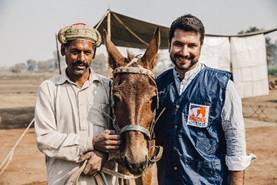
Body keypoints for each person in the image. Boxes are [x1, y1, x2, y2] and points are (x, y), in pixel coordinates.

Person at [155, 14, 255, 185]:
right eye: (178, 44)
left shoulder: (222, 86)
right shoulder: (158, 86)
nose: (184, 52)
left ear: (201, 47)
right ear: (169, 45)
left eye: (192, 45)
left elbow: (235, 141)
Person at [34, 23, 120, 185]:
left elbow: (122, 134)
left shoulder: (108, 87)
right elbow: (44, 139)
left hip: (104, 180)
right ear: (63, 51)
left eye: (87, 52)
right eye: (75, 52)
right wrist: (91, 142)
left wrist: (104, 155)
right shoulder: (49, 89)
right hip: (63, 180)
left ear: (93, 54)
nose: (81, 58)